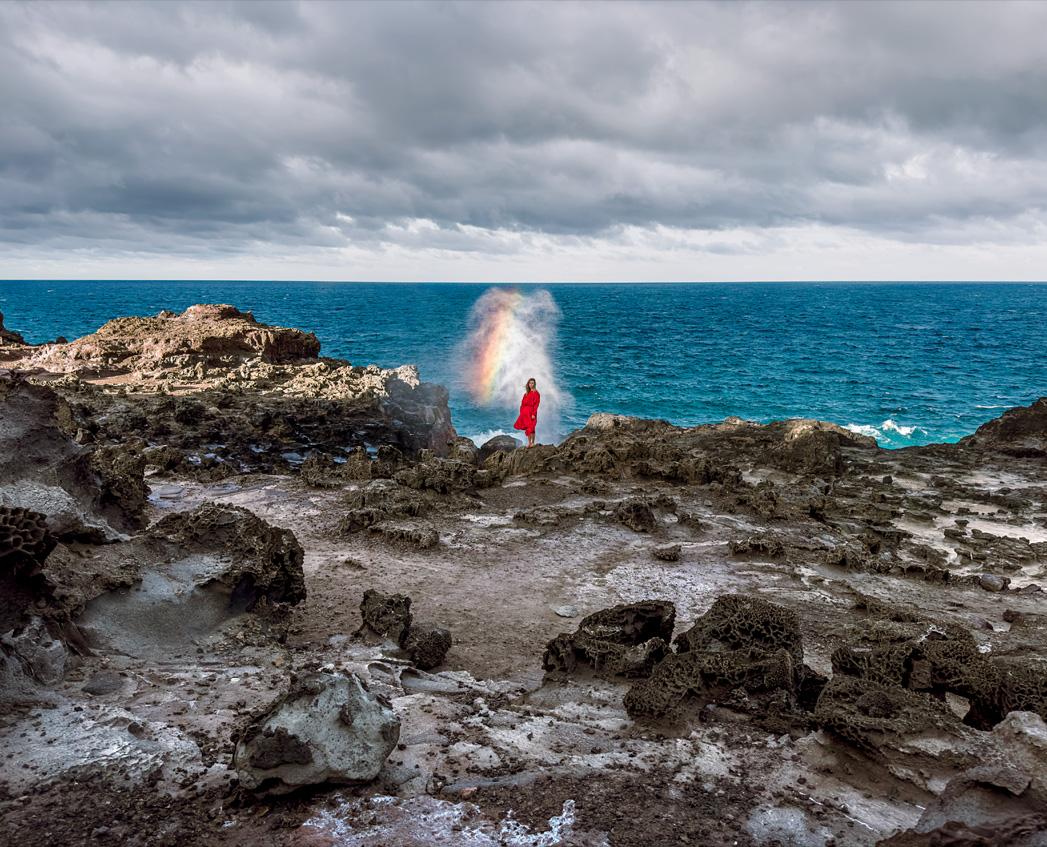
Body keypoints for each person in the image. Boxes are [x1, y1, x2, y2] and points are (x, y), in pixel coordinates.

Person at [513, 378, 540, 447]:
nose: (531, 384)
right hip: (525, 413)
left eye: (532, 383)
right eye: (530, 383)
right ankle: (530, 443)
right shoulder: (526, 393)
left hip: (532, 412)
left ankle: (532, 442)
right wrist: (521, 411)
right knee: (528, 427)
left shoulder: (536, 393)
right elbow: (522, 403)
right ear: (528, 384)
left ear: (534, 384)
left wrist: (533, 414)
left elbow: (536, 404)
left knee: (532, 427)